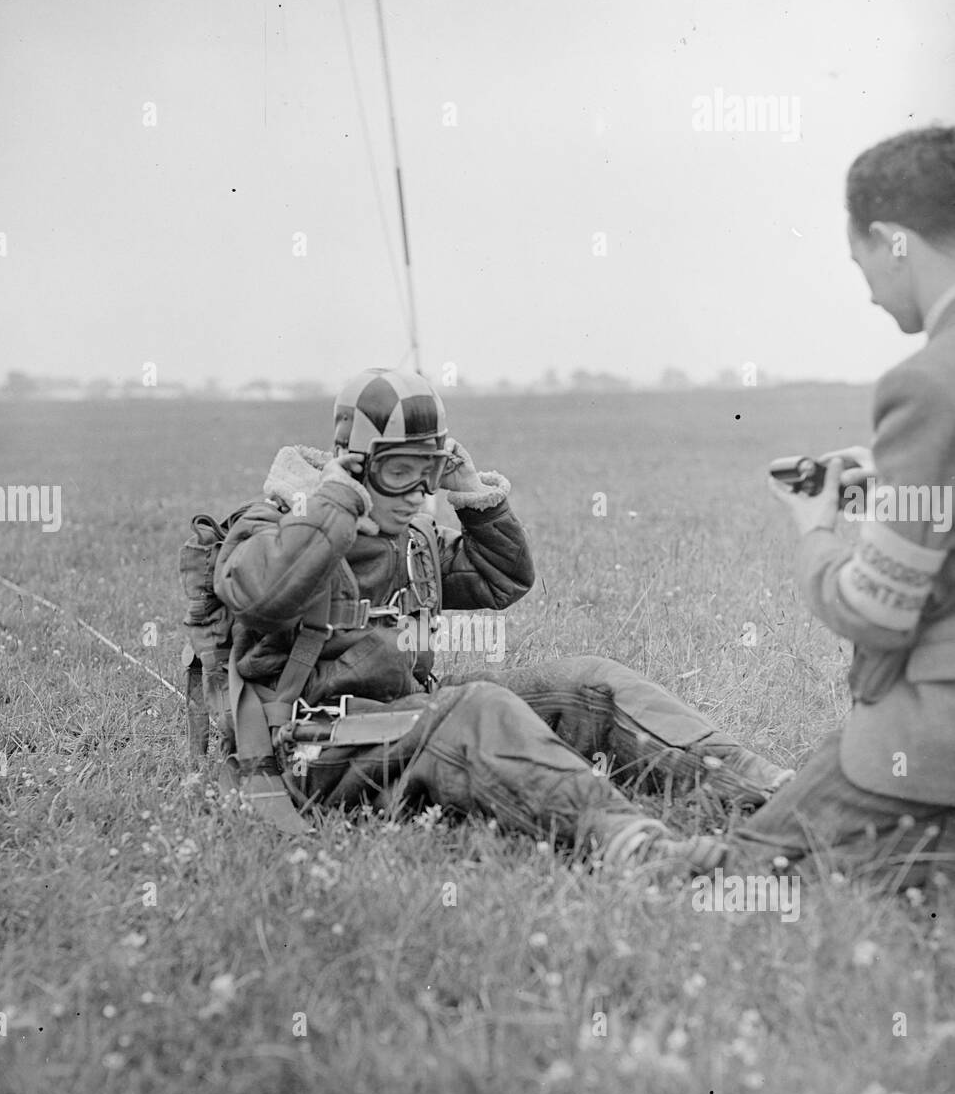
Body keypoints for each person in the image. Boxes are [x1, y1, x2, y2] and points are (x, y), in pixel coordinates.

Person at [197, 367, 790, 870]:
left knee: (590, 684)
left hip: (404, 720)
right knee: (477, 708)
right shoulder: (273, 522)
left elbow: (499, 579)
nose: (416, 494)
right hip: (312, 745)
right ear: (353, 466)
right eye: (399, 472)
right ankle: (634, 848)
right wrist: (333, 508)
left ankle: (773, 794)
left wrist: (471, 493)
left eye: (428, 472)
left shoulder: (412, 536)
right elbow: (261, 594)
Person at [716, 126, 955, 892]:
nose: (867, 291)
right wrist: (891, 475)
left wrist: (814, 528)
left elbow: (876, 610)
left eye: (862, 264)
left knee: (737, 876)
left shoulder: (924, 382)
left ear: (891, 242)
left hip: (931, 747)